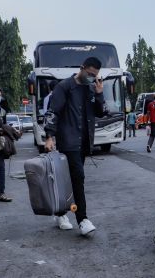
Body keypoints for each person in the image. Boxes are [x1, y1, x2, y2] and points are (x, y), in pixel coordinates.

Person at [44, 57, 107, 236]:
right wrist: (49, 136)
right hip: (68, 141)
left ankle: (60, 213)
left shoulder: (90, 89)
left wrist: (99, 93)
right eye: (89, 74)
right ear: (82, 68)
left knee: (70, 180)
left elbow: (101, 112)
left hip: (84, 143)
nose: (91, 77)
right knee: (78, 177)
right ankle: (83, 219)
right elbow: (53, 112)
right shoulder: (64, 87)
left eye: (94, 76)